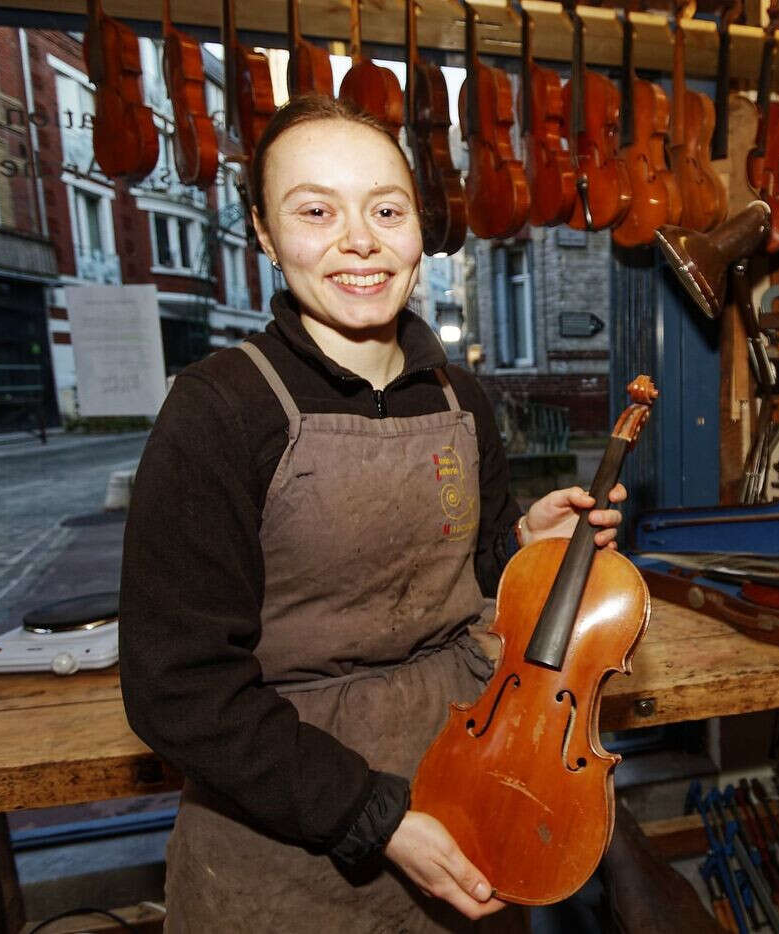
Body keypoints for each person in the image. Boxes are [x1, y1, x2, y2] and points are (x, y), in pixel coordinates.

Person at [119, 94, 626, 931]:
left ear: (419, 229)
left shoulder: (460, 395)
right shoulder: (218, 410)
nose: (360, 239)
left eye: (386, 210)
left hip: (471, 785)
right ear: (263, 234)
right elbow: (179, 690)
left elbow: (464, 585)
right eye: (316, 211)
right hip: (288, 830)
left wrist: (518, 547)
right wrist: (376, 817)